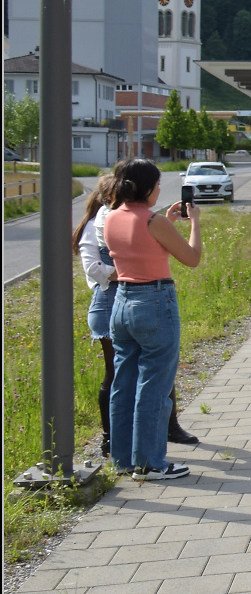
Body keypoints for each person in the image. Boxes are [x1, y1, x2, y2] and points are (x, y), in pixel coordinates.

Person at [75, 175, 198, 458]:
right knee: (133, 376)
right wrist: (125, 271)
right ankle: (134, 451)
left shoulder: (117, 219)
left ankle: (138, 445)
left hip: (124, 300)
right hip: (121, 299)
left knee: (139, 376)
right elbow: (95, 268)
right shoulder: (105, 222)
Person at [105, 157, 202, 480]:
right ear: (147, 186)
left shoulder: (111, 217)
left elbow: (140, 247)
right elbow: (191, 258)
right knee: (155, 387)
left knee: (124, 384)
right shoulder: (153, 221)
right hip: (155, 301)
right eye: (158, 185)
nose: (160, 190)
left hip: (122, 302)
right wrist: (194, 223)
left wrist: (166, 221)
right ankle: (151, 463)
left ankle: (123, 460)